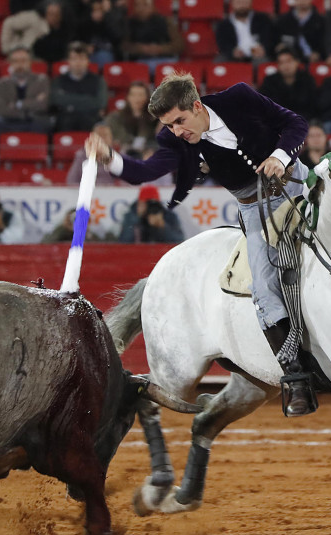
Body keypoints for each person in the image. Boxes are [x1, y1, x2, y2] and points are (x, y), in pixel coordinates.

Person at [83, 72, 318, 415]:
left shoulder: (238, 97)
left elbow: (295, 123)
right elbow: (146, 172)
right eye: (169, 125)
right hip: (257, 212)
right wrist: (110, 158)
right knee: (264, 287)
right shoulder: (176, 140)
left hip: (299, 183)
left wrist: (280, 156)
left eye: (180, 121)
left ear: (196, 106)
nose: (177, 132)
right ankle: (296, 379)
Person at [0, 46, 51, 134]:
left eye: (23, 60)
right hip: (10, 120)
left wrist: (17, 104)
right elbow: (1, 109)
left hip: (34, 119)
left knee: (43, 123)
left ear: (30, 62)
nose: (20, 65)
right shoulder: (2, 83)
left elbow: (43, 105)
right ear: (10, 63)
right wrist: (32, 103)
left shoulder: (42, 80)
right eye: (15, 61)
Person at [51, 43, 107, 132]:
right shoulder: (59, 80)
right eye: (74, 59)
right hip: (65, 121)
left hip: (90, 120)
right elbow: (56, 100)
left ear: (88, 61)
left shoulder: (98, 81)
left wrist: (69, 101)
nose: (78, 62)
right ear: (68, 61)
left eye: (81, 58)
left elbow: (100, 103)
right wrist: (88, 100)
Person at [122, 0, 184, 74]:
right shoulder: (129, 24)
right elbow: (124, 45)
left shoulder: (165, 22)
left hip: (165, 59)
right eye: (137, 5)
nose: (141, 8)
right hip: (140, 60)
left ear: (153, 7)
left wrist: (160, 49)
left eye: (145, 5)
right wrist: (141, 48)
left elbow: (179, 45)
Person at [258, 47, 319, 121]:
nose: (285, 66)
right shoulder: (269, 81)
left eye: (289, 61)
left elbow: (313, 106)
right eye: (281, 62)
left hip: (303, 120)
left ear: (297, 62)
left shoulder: (307, 79)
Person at [105, 81, 159, 158]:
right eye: (133, 95)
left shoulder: (155, 119)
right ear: (128, 97)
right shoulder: (115, 118)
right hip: (121, 155)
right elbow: (117, 138)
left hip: (147, 157)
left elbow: (157, 141)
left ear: (147, 97)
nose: (137, 99)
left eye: (141, 95)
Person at [118, 185, 185, 243]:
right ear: (139, 203)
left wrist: (162, 226)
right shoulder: (131, 216)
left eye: (153, 204)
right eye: (147, 204)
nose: (150, 208)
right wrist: (138, 218)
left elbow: (179, 241)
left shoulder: (169, 216)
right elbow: (124, 242)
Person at [76, 0, 124, 66]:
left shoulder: (112, 18)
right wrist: (85, 47)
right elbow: (77, 39)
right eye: (94, 10)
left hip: (108, 54)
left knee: (104, 56)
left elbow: (118, 37)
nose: (97, 13)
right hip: (89, 54)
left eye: (100, 10)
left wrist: (107, 15)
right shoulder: (85, 22)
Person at [32, 0, 76, 64]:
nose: (54, 17)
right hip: (41, 62)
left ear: (61, 16)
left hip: (61, 63)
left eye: (56, 14)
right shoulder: (38, 32)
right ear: (45, 15)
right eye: (50, 14)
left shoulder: (67, 32)